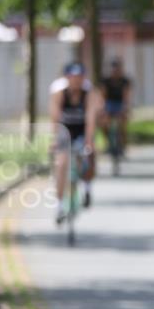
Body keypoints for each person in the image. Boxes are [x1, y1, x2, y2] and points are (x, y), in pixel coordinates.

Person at [50, 62, 102, 223]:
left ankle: (87, 187)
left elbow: (90, 119)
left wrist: (89, 142)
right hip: (65, 132)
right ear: (67, 78)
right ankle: (59, 206)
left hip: (81, 131)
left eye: (80, 77)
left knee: (88, 156)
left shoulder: (89, 95)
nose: (77, 81)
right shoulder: (60, 94)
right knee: (61, 164)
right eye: (73, 77)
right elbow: (55, 118)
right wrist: (54, 139)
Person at [99, 57, 132, 158]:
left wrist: (125, 108)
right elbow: (103, 97)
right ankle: (107, 143)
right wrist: (103, 110)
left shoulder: (125, 81)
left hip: (120, 103)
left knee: (122, 123)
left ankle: (123, 145)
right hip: (109, 103)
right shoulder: (105, 81)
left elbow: (126, 97)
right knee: (104, 122)